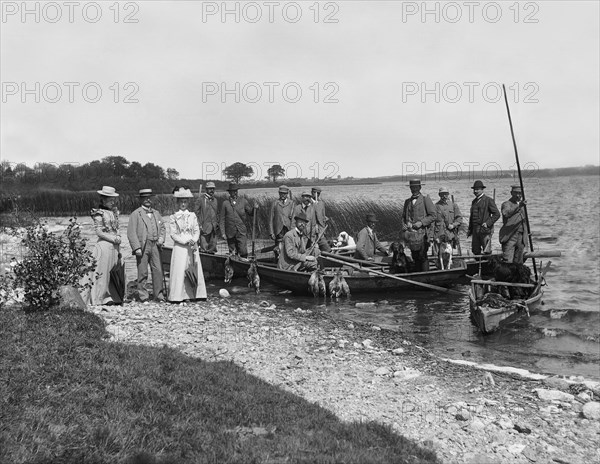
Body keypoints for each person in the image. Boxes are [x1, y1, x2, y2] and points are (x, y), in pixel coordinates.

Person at [83, 186, 122, 305]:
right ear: (103, 200)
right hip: (104, 245)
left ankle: (112, 296)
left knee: (114, 270)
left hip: (115, 245)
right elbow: (99, 232)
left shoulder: (114, 212)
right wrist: (113, 238)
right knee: (102, 271)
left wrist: (119, 236)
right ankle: (99, 298)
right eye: (110, 200)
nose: (112, 202)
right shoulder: (98, 213)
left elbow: (116, 228)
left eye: (113, 199)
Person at [127, 189, 166, 302]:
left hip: (155, 245)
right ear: (141, 199)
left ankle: (158, 295)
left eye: (149, 197)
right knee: (143, 271)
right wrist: (136, 247)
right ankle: (143, 296)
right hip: (143, 245)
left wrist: (161, 238)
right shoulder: (135, 214)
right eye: (145, 197)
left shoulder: (156, 213)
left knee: (158, 270)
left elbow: (163, 228)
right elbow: (131, 232)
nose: (148, 199)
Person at [168, 187, 207, 302]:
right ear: (177, 203)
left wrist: (194, 240)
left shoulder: (192, 215)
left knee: (193, 266)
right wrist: (183, 241)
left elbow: (196, 230)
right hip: (180, 246)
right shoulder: (173, 217)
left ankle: (194, 294)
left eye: (185, 202)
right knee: (180, 270)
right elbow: (173, 234)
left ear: (188, 202)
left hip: (191, 245)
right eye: (181, 202)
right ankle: (177, 296)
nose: (183, 204)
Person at [402, 179, 436, 271]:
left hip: (423, 234)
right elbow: (403, 217)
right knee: (415, 256)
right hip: (411, 235)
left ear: (420, 187)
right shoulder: (407, 202)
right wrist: (404, 225)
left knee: (422, 256)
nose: (414, 189)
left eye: (416, 187)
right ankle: (418, 276)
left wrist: (421, 222)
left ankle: (426, 277)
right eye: (412, 187)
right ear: (410, 188)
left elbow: (433, 215)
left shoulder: (426, 200)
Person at [219, 183, 258, 258]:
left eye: (236, 191)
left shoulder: (243, 201)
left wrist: (255, 208)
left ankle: (243, 265)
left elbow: (251, 213)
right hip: (230, 232)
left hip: (241, 230)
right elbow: (222, 220)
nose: (235, 193)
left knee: (243, 251)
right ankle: (233, 266)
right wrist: (223, 233)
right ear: (229, 192)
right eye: (233, 191)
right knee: (232, 252)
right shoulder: (225, 203)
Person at [468, 180, 501, 255]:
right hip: (475, 230)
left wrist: (487, 223)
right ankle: (478, 266)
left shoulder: (488, 200)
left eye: (477, 189)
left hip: (484, 230)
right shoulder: (474, 202)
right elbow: (472, 217)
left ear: (482, 190)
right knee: (475, 250)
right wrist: (470, 229)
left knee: (487, 251)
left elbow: (497, 214)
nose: (475, 191)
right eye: (474, 189)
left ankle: (487, 266)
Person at [499, 185, 528, 263]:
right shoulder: (506, 204)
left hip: (521, 237)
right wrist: (519, 206)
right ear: (511, 193)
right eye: (516, 193)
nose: (518, 195)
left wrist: (528, 232)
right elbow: (506, 213)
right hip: (509, 236)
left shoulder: (523, 205)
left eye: (520, 193)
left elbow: (524, 220)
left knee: (518, 262)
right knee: (507, 261)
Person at [432, 187, 463, 255]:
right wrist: (432, 236)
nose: (444, 196)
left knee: (449, 256)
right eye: (442, 194)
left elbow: (459, 218)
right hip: (438, 234)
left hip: (449, 235)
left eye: (446, 194)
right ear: (439, 195)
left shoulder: (453, 205)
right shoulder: (435, 206)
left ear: (448, 194)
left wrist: (453, 225)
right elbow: (432, 222)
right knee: (436, 256)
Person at [268, 185, 294, 259]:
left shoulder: (291, 203)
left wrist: (293, 231)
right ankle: (277, 263)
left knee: (288, 246)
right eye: (281, 193)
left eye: (284, 194)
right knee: (278, 248)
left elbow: (294, 219)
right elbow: (270, 219)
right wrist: (271, 232)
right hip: (278, 230)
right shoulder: (275, 203)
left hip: (288, 229)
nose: (283, 195)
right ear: (279, 193)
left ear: (287, 194)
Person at [196, 181, 219, 253]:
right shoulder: (201, 199)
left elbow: (217, 213)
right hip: (204, 228)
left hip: (214, 228)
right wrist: (199, 225)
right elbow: (196, 214)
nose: (212, 190)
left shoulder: (215, 200)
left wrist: (217, 223)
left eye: (213, 189)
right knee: (204, 249)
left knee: (213, 249)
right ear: (206, 189)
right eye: (210, 189)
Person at [311, 187, 331, 252]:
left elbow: (322, 214)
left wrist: (324, 218)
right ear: (312, 193)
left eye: (318, 193)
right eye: (315, 193)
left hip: (320, 229)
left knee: (325, 246)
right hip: (312, 229)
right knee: (312, 245)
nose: (317, 195)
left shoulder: (321, 203)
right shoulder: (309, 203)